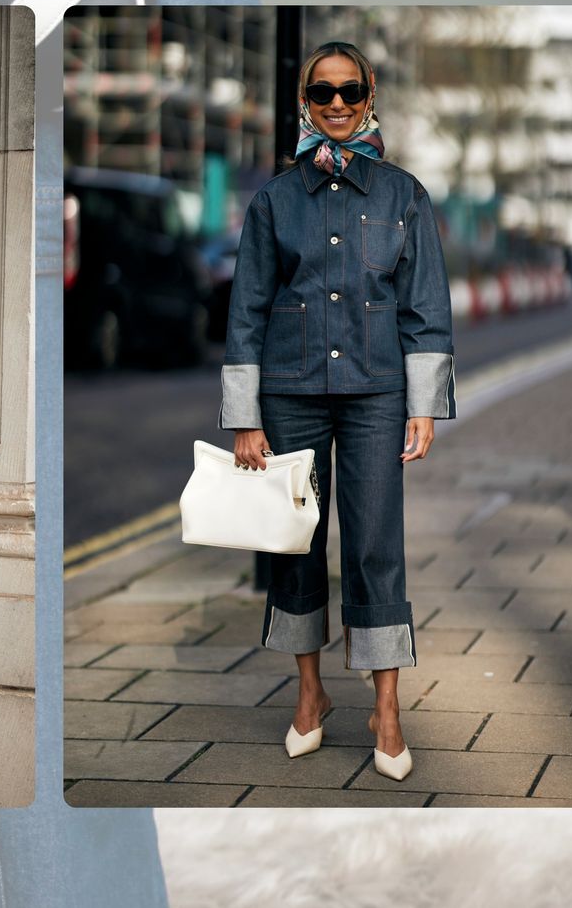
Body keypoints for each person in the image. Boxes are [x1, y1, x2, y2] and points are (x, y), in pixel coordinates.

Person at [220, 40, 456, 782]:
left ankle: (386, 708)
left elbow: (425, 305)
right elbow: (246, 308)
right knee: (294, 542)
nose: (338, 104)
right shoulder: (273, 199)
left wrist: (423, 404)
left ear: (370, 92)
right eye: (323, 93)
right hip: (289, 392)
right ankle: (311, 691)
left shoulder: (403, 194)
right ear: (305, 101)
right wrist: (244, 416)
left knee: (375, 543)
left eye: (350, 91)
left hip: (378, 394)